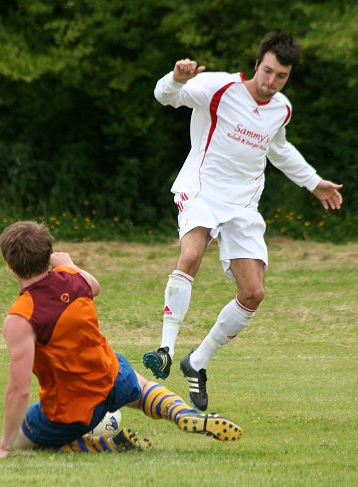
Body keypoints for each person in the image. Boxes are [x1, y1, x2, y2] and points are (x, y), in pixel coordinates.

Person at [143, 31, 343, 411]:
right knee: (191, 255)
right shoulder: (217, 87)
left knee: (253, 293)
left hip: (243, 205)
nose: (270, 82)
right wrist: (177, 78)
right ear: (256, 64)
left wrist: (314, 183)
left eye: (280, 76)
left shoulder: (280, 109)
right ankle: (165, 348)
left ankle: (196, 361)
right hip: (202, 188)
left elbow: (279, 149)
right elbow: (163, 97)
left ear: (288, 77)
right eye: (267, 71)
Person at [0, 221, 242, 460]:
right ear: (48, 254)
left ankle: (101, 444)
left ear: (9, 264)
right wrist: (69, 263)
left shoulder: (21, 317)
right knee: (141, 388)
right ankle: (182, 413)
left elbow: (19, 389)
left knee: (23, 439)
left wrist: (3, 446)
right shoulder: (73, 278)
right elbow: (93, 286)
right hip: (112, 377)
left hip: (72, 410)